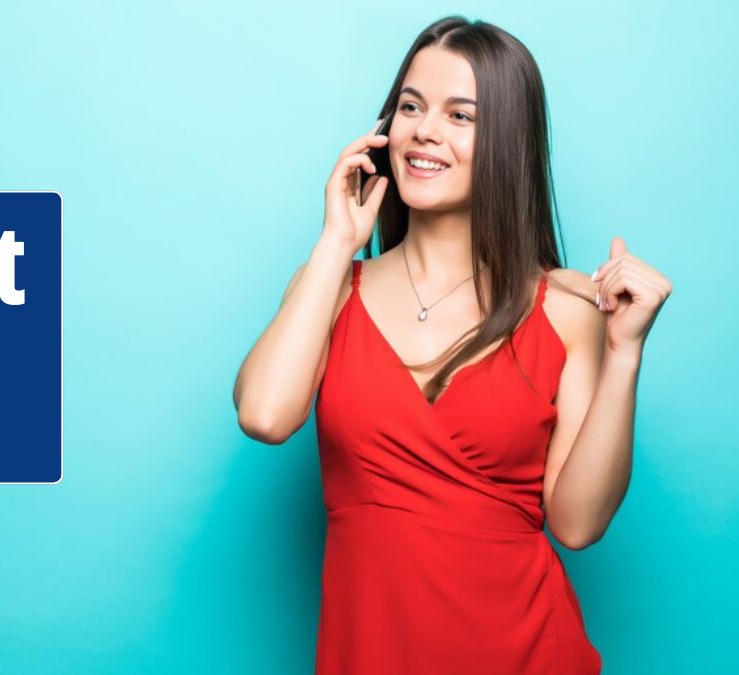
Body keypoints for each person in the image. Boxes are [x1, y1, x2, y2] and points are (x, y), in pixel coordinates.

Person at [233, 15, 672, 675]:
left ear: (508, 141)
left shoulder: (565, 310)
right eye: (410, 106)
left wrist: (626, 354)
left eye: (460, 115)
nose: (424, 131)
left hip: (526, 650)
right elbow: (264, 415)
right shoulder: (332, 286)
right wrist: (335, 242)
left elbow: (578, 524)